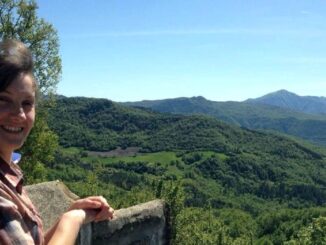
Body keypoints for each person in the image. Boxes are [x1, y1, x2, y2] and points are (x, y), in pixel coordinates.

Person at [0, 39, 114, 245]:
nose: (18, 114)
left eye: (27, 103)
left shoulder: (9, 174)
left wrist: (70, 212)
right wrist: (72, 220)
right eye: (3, 100)